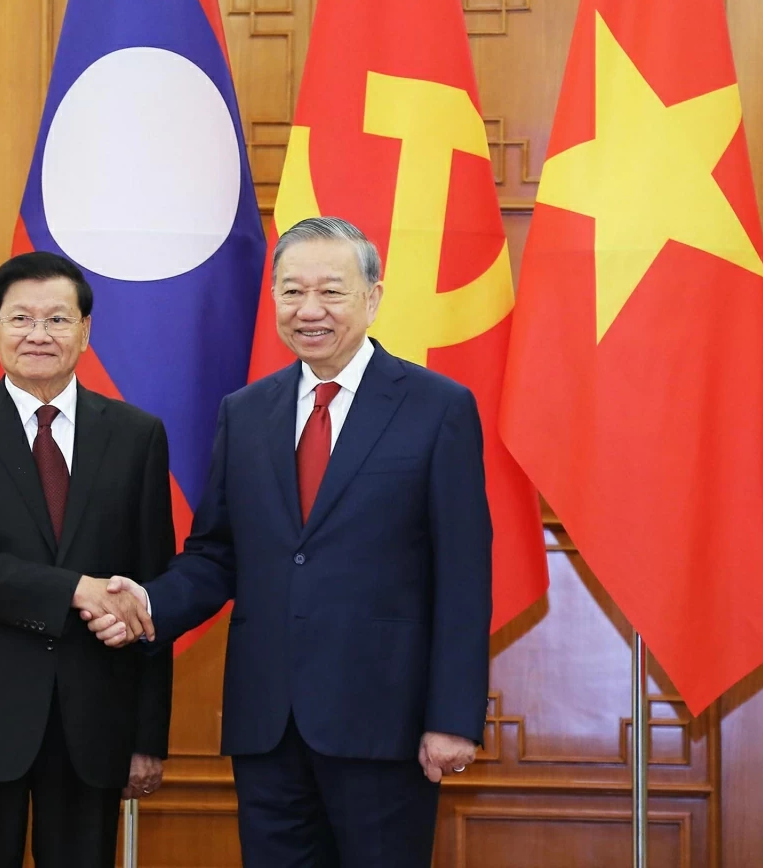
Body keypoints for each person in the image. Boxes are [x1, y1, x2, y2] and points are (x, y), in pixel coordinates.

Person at [87, 217, 492, 867]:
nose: (309, 309)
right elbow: (217, 553)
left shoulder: (436, 406)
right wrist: (149, 604)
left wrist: (452, 717)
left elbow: (464, 575)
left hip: (384, 725)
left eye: (331, 291)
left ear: (373, 297)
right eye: (292, 291)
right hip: (267, 726)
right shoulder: (246, 412)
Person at [0, 251, 173, 868]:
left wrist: (146, 736)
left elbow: (150, 592)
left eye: (57, 319)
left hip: (93, 725)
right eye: (21, 318)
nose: (38, 334)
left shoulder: (136, 436)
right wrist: (76, 589)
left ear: (85, 331)